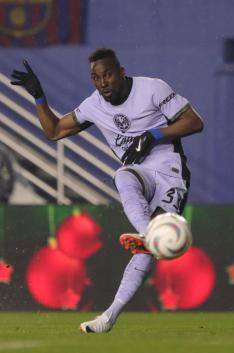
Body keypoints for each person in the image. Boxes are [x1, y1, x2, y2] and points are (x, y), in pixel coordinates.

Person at [10, 48, 204, 333]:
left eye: (108, 75)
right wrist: (39, 96)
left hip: (170, 173)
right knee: (123, 175)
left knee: (145, 252)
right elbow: (53, 132)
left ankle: (109, 316)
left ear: (121, 72)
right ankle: (147, 235)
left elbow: (194, 122)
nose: (103, 83)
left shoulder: (152, 88)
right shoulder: (93, 106)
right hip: (139, 173)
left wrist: (152, 135)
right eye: (96, 78)